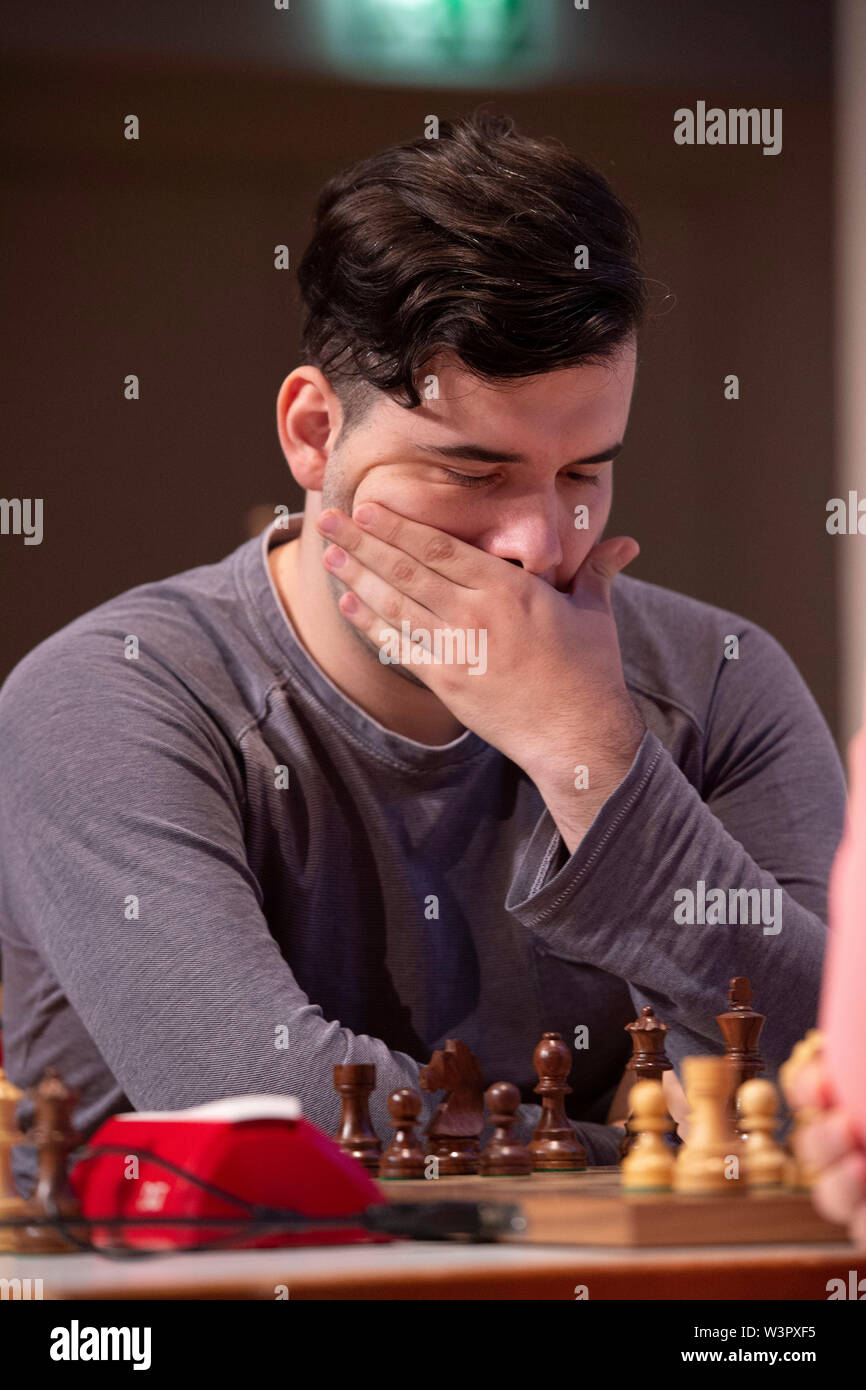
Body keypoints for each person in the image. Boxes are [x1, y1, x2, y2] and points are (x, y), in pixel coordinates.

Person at [0, 112, 846, 1193]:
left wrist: (591, 755)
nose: (538, 545)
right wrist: (633, 1146)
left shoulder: (721, 679)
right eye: (470, 473)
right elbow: (285, 1132)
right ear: (313, 436)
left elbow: (829, 1090)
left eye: (582, 473)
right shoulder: (109, 695)